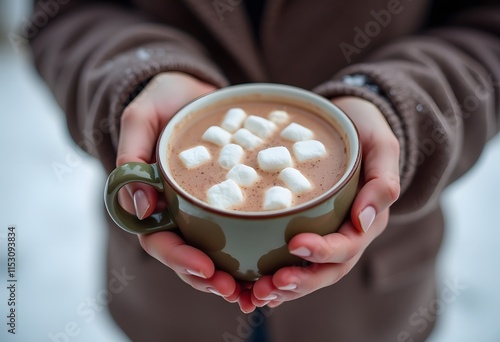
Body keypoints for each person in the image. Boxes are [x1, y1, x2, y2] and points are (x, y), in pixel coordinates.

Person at [29, 0, 499, 341]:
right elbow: (62, 12)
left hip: (368, 308)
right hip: (168, 307)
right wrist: (135, 78)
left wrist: (397, 110)